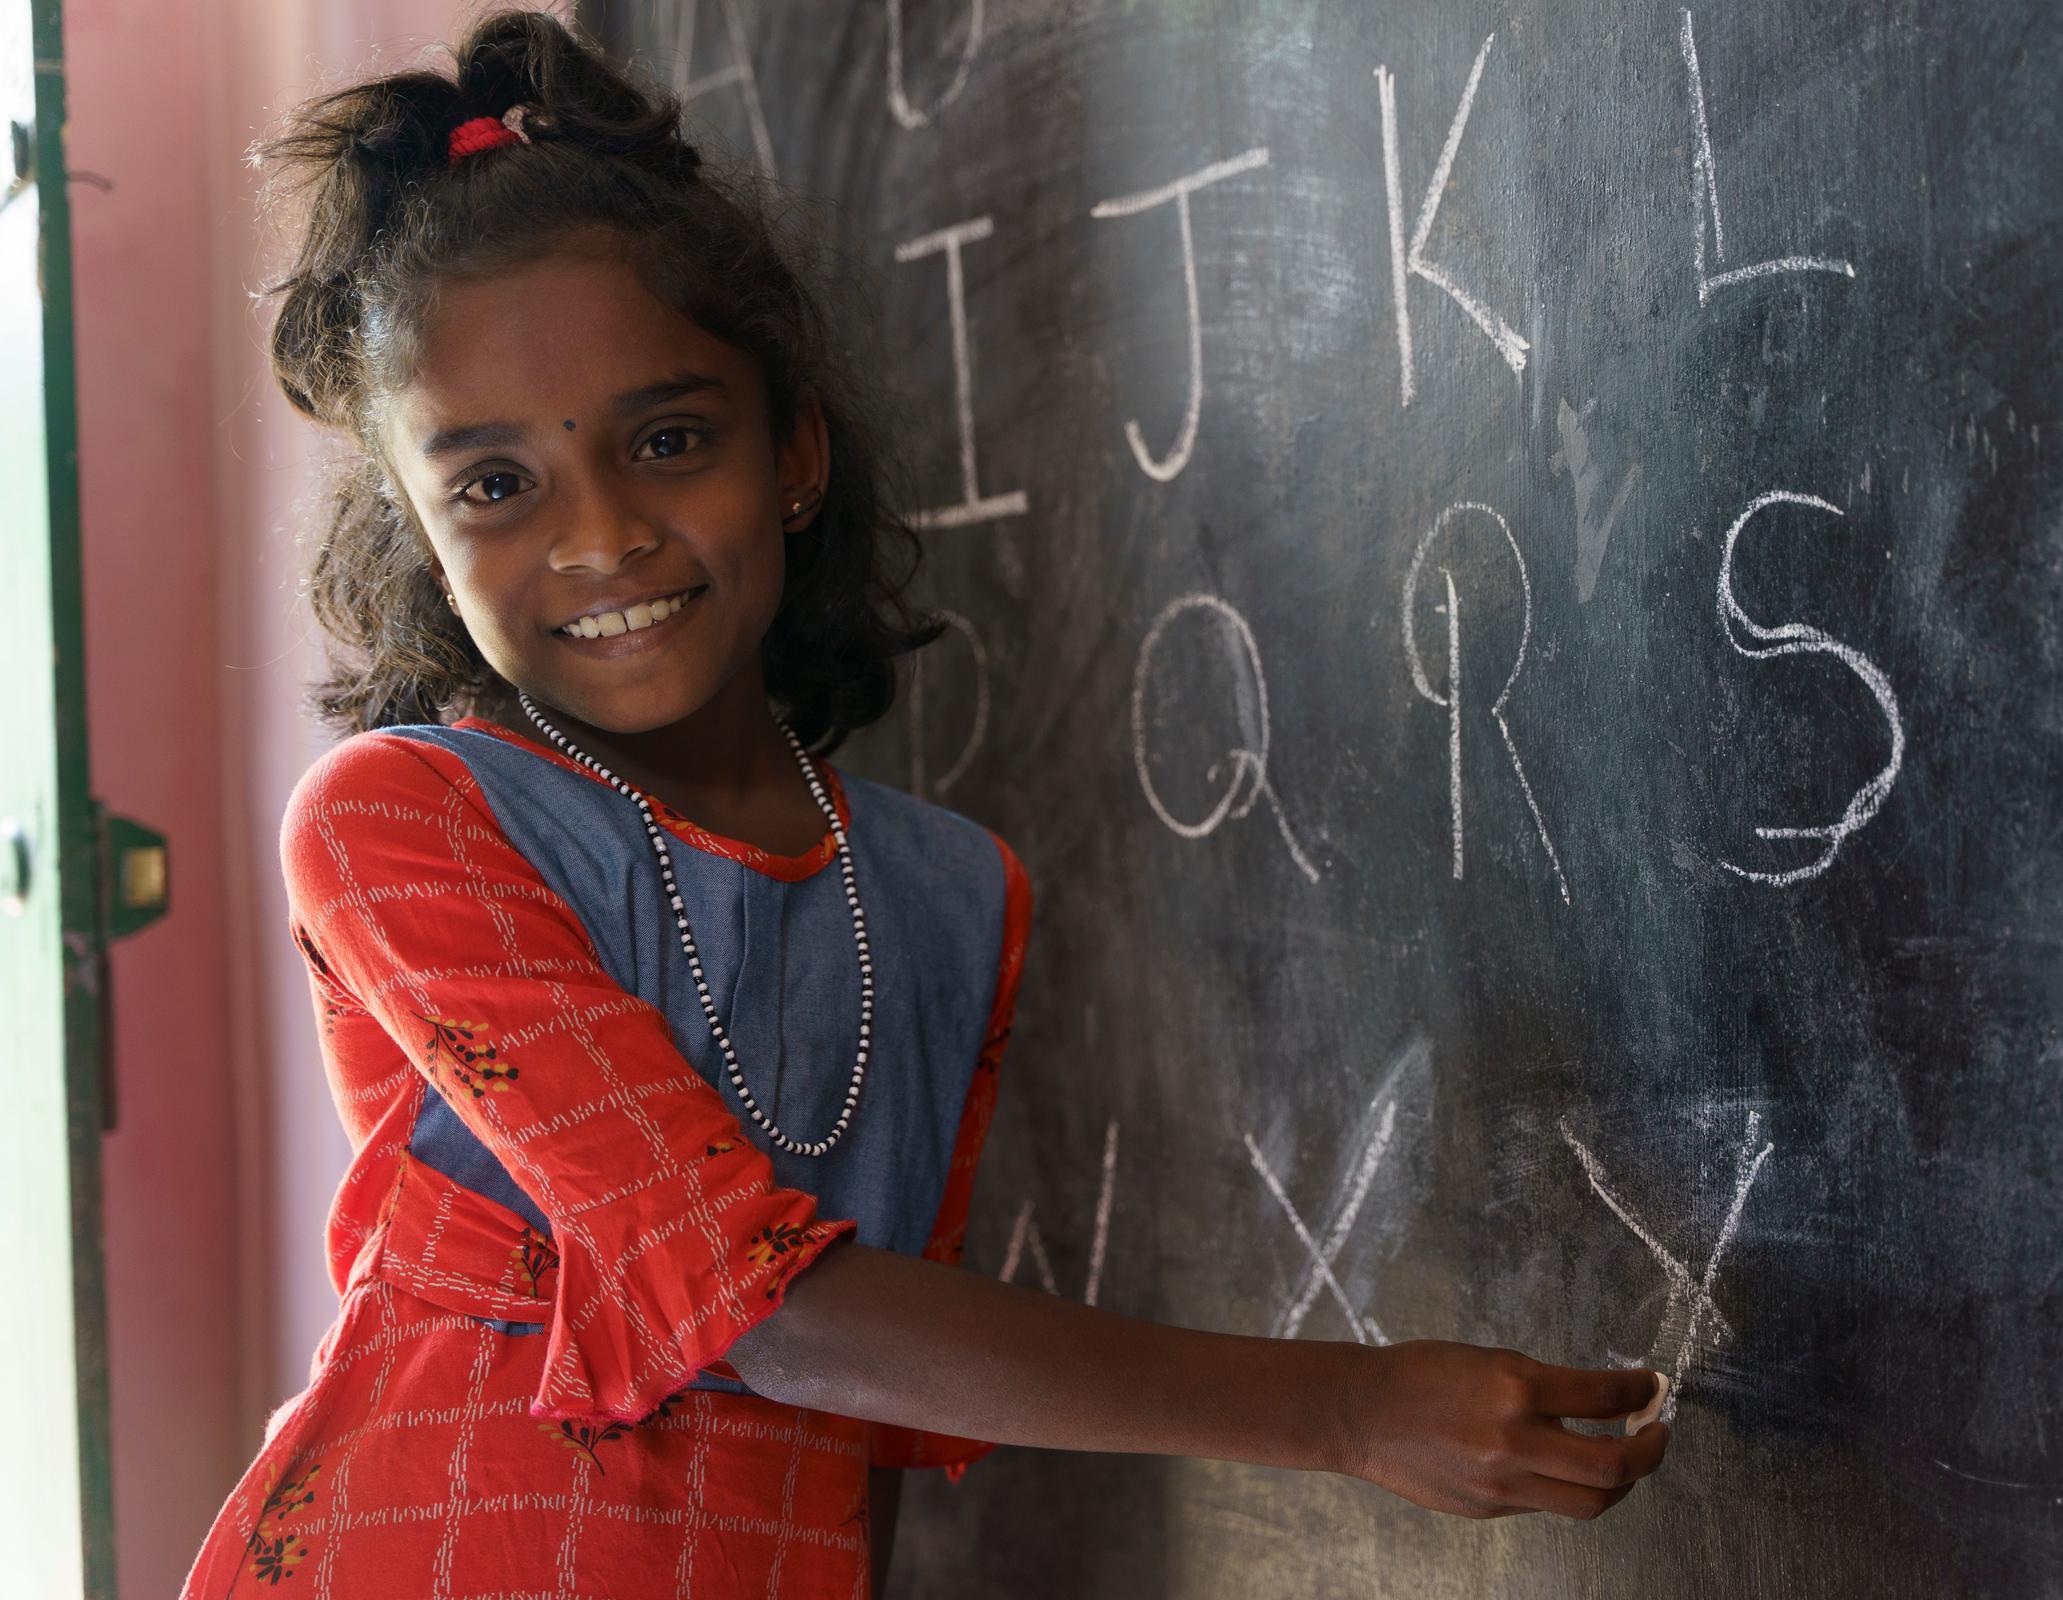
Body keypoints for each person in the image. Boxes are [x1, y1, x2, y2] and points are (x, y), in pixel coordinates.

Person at [181, 10, 1671, 1596]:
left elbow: (859, 1435)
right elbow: (751, 1305)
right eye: (493, 484)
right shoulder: (400, 826)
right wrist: (1352, 1406)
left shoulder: (951, 894)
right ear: (420, 531)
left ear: (795, 453)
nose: (601, 536)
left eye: (669, 439)